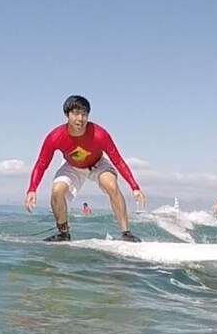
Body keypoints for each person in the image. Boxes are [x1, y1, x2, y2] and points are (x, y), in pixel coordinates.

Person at [24, 95, 146, 242]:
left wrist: (135, 187)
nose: (80, 119)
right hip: (71, 166)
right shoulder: (55, 136)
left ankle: (126, 232)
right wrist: (32, 188)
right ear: (66, 115)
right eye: (75, 113)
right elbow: (41, 164)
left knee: (111, 185)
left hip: (97, 164)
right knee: (57, 190)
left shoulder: (99, 134)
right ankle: (63, 233)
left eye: (84, 114)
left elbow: (117, 160)